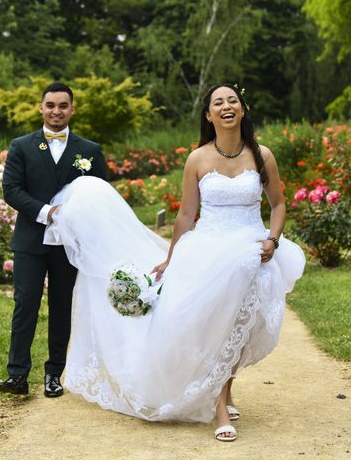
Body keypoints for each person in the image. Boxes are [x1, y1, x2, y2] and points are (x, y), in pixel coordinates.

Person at [43, 84, 305, 441]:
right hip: (209, 250)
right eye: (218, 103)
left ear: (242, 110)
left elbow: (277, 204)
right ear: (208, 115)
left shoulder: (262, 155)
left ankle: (224, 391)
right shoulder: (197, 160)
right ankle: (218, 408)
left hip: (252, 249)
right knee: (211, 327)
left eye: (233, 101)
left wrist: (273, 240)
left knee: (239, 328)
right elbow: (186, 216)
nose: (227, 106)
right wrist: (170, 260)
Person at [0, 82, 108, 398]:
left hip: (70, 245)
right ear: (41, 108)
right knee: (25, 304)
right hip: (31, 241)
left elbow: (101, 195)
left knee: (62, 308)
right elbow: (12, 189)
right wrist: (47, 212)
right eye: (50, 105)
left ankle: (54, 374)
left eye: (62, 105)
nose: (56, 111)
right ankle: (17, 374)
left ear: (72, 109)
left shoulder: (89, 150)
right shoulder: (22, 146)